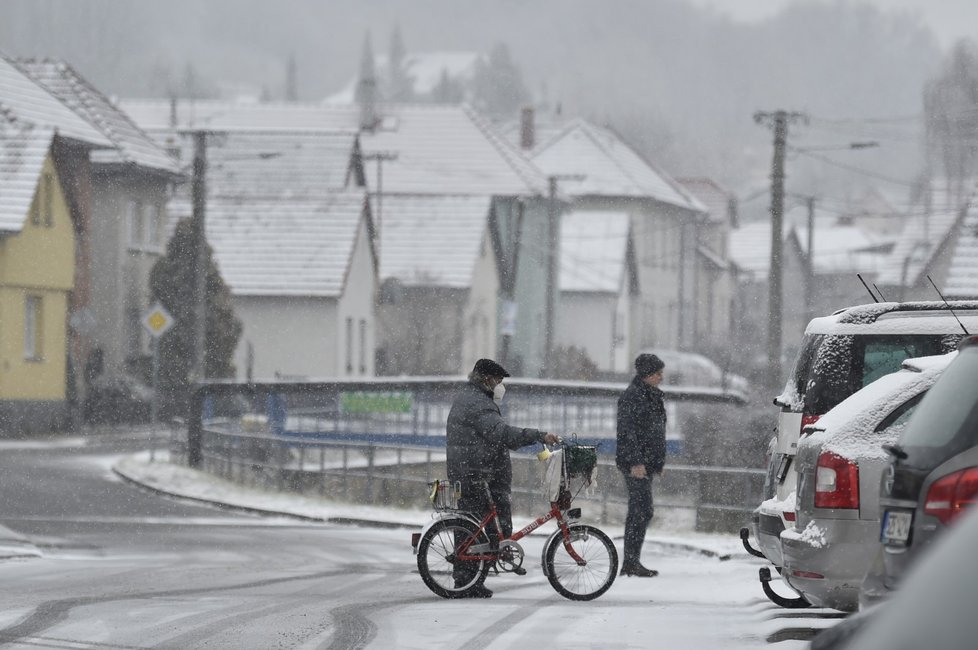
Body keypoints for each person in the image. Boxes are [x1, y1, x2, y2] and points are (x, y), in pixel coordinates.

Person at [446, 358, 559, 598]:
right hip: (478, 472)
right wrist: (538, 435)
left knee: (478, 526)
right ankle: (467, 580)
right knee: (480, 529)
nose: (500, 386)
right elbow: (502, 433)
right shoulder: (478, 404)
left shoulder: (473, 398)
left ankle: (470, 579)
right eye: (498, 380)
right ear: (487, 379)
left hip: (473, 470)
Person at [616, 353, 667, 577]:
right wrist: (636, 462)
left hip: (646, 463)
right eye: (657, 373)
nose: (661, 378)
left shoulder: (651, 396)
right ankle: (630, 561)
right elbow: (628, 433)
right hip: (635, 464)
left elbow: (655, 432)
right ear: (646, 374)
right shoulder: (633, 397)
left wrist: (657, 462)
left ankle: (632, 560)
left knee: (641, 511)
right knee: (641, 511)